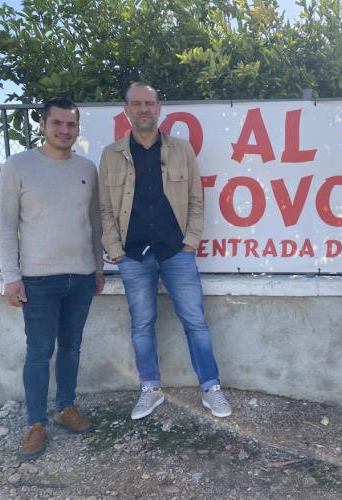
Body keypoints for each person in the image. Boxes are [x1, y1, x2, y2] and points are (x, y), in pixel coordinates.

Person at [98, 82, 231, 420]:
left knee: (195, 322)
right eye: (137, 104)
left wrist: (190, 242)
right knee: (142, 325)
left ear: (159, 108)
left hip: (176, 252)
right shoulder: (111, 155)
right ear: (126, 110)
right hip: (133, 255)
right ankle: (150, 389)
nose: (144, 109)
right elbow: (105, 209)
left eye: (149, 103)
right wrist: (115, 250)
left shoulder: (181, 150)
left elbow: (197, 199)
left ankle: (211, 387)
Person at [0, 98, 105, 461]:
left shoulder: (87, 168)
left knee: (71, 347)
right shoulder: (18, 166)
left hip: (81, 276)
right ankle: (35, 424)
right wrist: (11, 277)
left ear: (78, 129)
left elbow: (94, 222)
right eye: (56, 123)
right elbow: (5, 225)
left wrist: (97, 267)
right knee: (39, 353)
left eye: (71, 124)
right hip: (38, 280)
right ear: (42, 125)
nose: (64, 130)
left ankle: (66, 407)